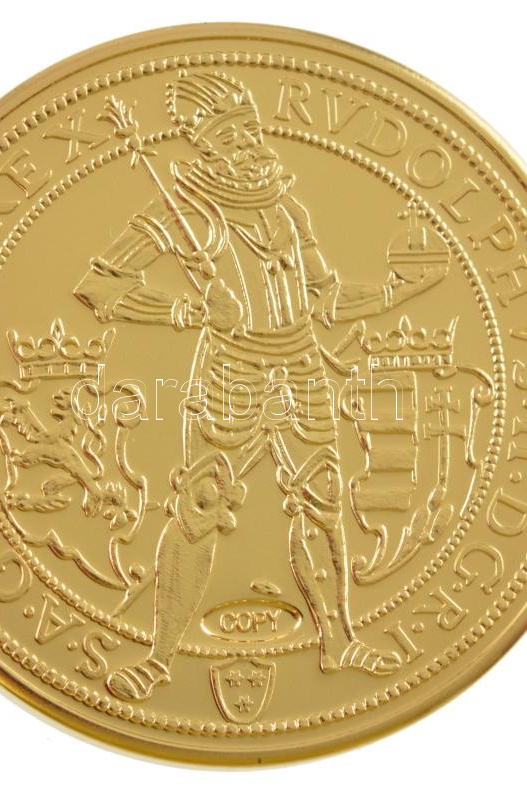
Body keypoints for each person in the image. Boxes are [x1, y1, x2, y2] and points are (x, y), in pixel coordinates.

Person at [74, 71, 448, 701]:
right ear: (207, 146)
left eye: (250, 131)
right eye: (232, 137)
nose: (249, 144)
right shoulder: (183, 213)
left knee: (322, 504)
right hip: (233, 370)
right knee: (199, 512)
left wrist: (394, 294)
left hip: (301, 367)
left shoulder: (286, 208)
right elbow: (98, 288)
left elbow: (325, 300)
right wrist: (189, 311)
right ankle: (160, 660)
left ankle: (339, 642)